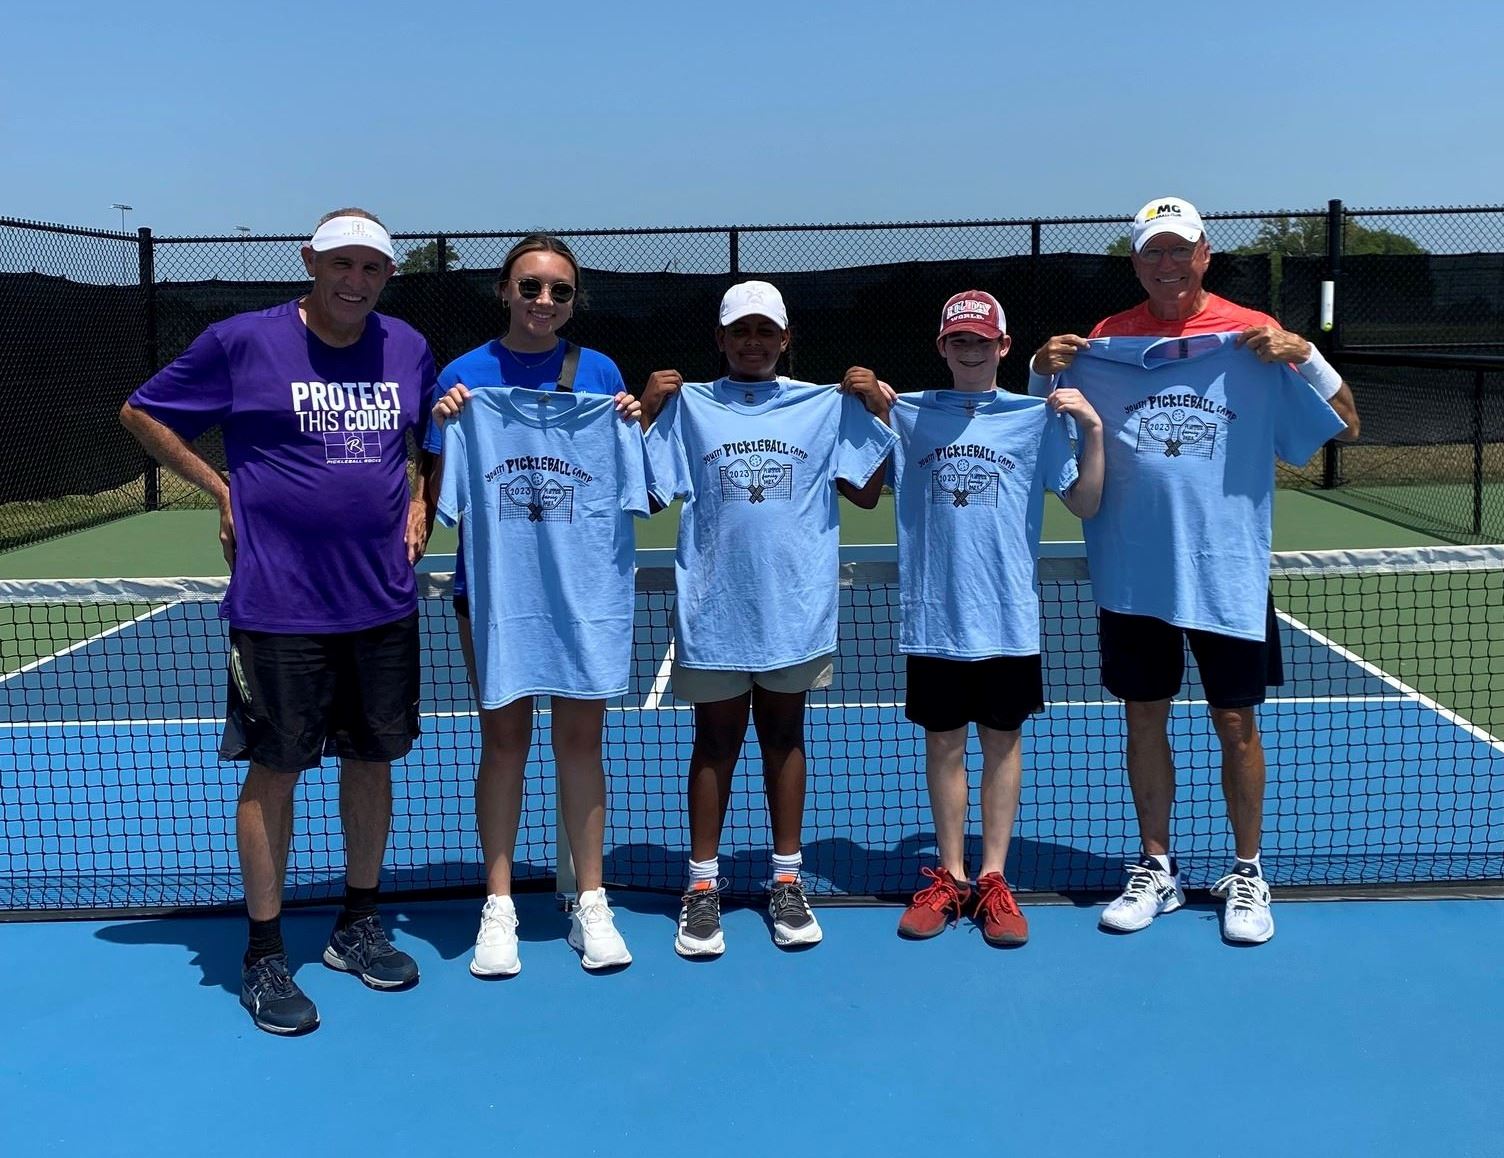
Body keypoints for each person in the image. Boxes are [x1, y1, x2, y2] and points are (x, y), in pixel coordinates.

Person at [119, 209, 437, 1034]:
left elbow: (427, 431)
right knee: (277, 772)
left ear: (386, 277)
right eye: (342, 265)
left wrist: (425, 494)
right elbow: (142, 412)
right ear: (309, 262)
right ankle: (263, 953)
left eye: (371, 269)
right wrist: (222, 488)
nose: (355, 282)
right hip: (279, 604)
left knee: (372, 763)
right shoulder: (241, 341)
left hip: (382, 599)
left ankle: (356, 925)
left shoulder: (406, 346)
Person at [1029, 196, 1361, 944]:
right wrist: (1036, 370)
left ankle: (1247, 872)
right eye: (1154, 251)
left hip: (1227, 574)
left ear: (1206, 253)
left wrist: (1304, 354)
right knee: (1142, 717)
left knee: (1235, 723)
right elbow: (1038, 434)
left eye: (1180, 249)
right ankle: (1157, 868)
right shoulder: (1103, 341)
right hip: (1132, 573)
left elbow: (1346, 420)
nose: (1168, 263)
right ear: (1138, 262)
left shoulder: (1252, 338)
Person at [639, 281, 896, 958]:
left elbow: (866, 493)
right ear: (720, 341)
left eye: (765, 331)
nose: (752, 342)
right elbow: (643, 487)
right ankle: (701, 890)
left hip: (795, 610)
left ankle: (787, 880)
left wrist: (874, 409)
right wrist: (646, 413)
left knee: (785, 740)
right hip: (715, 611)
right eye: (739, 331)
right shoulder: (689, 407)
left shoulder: (824, 407)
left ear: (786, 340)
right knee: (714, 746)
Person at [424, 235, 642, 977]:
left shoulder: (604, 375)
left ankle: (592, 903)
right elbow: (439, 497)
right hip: (494, 597)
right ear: (504, 291)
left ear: (574, 299)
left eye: (559, 291)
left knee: (582, 745)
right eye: (530, 287)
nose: (544, 302)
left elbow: (634, 482)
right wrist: (450, 421)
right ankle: (499, 906)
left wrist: (631, 419)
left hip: (582, 597)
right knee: (505, 744)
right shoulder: (464, 381)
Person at [889, 291, 1103, 946]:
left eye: (983, 339)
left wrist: (1092, 431)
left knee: (1002, 745)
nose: (971, 349)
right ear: (942, 347)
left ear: (1004, 347)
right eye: (959, 339)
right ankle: (949, 878)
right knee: (944, 746)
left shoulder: (1036, 419)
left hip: (1009, 617)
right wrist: (865, 396)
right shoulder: (906, 415)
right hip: (935, 617)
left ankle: (992, 879)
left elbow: (1087, 503)